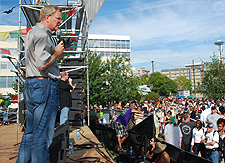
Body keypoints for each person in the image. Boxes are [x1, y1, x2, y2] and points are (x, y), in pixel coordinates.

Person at [16, 5, 64, 163]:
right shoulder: (43, 35)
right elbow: (42, 65)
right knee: (42, 136)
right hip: (44, 85)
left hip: (31, 84)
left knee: (30, 133)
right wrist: (56, 54)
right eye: (58, 18)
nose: (60, 22)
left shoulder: (32, 33)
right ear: (47, 17)